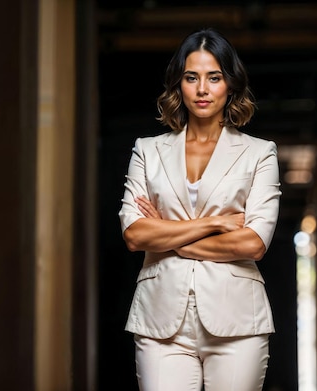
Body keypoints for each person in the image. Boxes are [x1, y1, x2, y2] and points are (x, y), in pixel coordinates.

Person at [118, 28, 281, 391]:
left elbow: (253, 244)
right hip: (160, 322)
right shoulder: (147, 151)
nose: (202, 89)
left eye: (214, 77)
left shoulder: (259, 153)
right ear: (179, 84)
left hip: (237, 321)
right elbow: (134, 235)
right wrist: (216, 223)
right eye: (192, 77)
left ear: (231, 85)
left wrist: (167, 235)